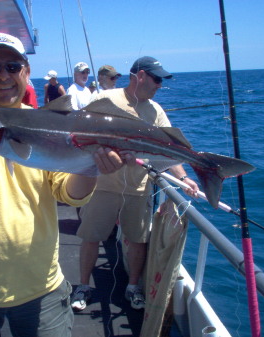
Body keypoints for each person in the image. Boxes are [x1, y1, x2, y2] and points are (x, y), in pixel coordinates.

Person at [0, 32, 134, 337]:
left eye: (12, 66)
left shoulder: (44, 121)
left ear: (26, 72)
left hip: (42, 289)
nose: (3, 76)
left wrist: (93, 167)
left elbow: (70, 195)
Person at [71, 56, 199, 311]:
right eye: (156, 79)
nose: (159, 85)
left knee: (138, 240)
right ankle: (83, 286)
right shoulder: (105, 100)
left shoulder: (155, 111)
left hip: (139, 188)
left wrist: (183, 177)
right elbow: (80, 135)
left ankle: (133, 287)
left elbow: (168, 149)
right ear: (140, 76)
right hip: (103, 185)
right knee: (91, 237)